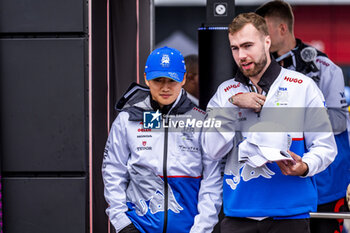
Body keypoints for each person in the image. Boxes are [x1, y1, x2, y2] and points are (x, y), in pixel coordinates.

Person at [201, 12, 337, 233]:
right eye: (235, 48)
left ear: (267, 41)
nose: (241, 55)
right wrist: (231, 106)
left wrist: (304, 166)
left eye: (247, 46)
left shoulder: (302, 86)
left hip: (290, 216)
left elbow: (325, 147)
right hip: (238, 216)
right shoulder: (225, 93)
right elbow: (212, 150)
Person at [102, 46, 222, 233]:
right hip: (138, 227)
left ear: (183, 79)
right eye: (158, 80)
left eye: (172, 80)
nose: (165, 87)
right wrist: (122, 224)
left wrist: (202, 229)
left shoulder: (201, 121)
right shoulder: (128, 119)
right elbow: (113, 172)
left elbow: (212, 181)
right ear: (146, 79)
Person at [256, 1, 350, 232]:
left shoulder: (323, 66)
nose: (260, 38)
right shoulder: (258, 70)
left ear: (282, 29)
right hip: (279, 182)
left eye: (264, 31)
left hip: (325, 185)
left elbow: (339, 121)